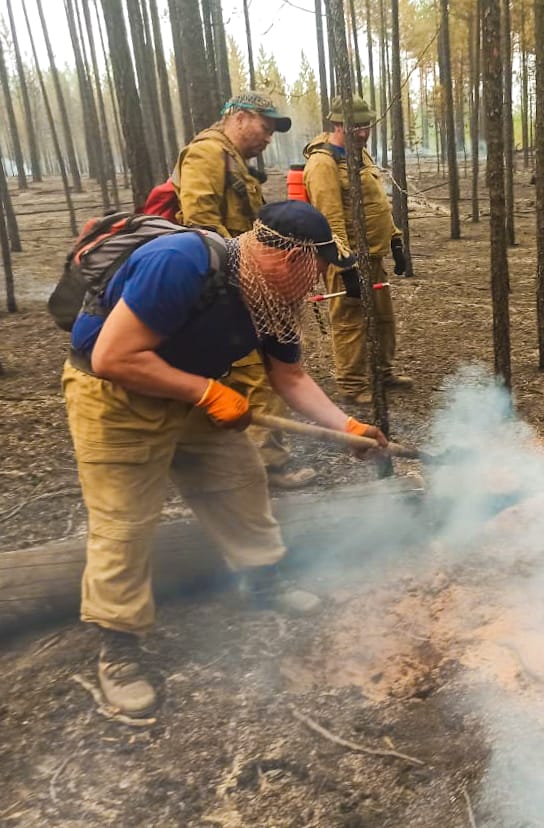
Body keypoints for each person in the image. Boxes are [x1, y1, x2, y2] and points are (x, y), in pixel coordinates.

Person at [64, 201, 388, 716]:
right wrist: (207, 393)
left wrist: (344, 427)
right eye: (316, 266)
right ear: (283, 257)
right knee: (123, 524)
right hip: (117, 396)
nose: (318, 280)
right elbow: (112, 357)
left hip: (193, 390)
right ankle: (119, 646)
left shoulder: (272, 301)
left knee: (240, 480)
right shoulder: (181, 262)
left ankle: (261, 580)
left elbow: (291, 377)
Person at [173, 91, 315, 488]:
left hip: (243, 283)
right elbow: (198, 225)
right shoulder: (205, 155)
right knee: (254, 376)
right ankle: (263, 473)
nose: (269, 137)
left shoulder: (233, 160)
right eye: (264, 126)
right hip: (229, 287)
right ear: (238, 117)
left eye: (272, 131)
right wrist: (249, 264)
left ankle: (260, 466)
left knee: (261, 375)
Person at [302, 97, 413, 406]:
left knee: (382, 317)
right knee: (351, 321)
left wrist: (395, 240)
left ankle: (382, 370)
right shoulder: (323, 163)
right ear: (337, 125)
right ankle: (352, 384)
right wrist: (344, 263)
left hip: (373, 255)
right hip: (346, 259)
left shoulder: (358, 153)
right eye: (356, 126)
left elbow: (374, 201)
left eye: (366, 125)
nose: (363, 132)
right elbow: (329, 218)